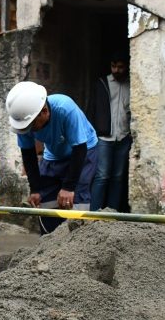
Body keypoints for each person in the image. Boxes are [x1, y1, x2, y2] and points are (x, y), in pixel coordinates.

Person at [6, 81, 98, 235]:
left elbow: (79, 149)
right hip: (55, 152)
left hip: (84, 149)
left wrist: (68, 187)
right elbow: (28, 154)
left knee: (75, 197)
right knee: (45, 196)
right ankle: (50, 243)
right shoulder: (26, 121)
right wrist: (35, 188)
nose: (29, 131)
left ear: (44, 111)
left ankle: (79, 242)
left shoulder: (65, 109)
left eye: (31, 126)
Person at [87, 52, 131, 211]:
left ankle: (113, 213)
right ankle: (94, 214)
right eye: (113, 66)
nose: (116, 70)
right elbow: (92, 109)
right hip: (104, 138)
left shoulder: (132, 85)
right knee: (102, 176)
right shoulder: (102, 83)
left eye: (120, 67)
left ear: (126, 67)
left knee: (118, 177)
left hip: (124, 137)